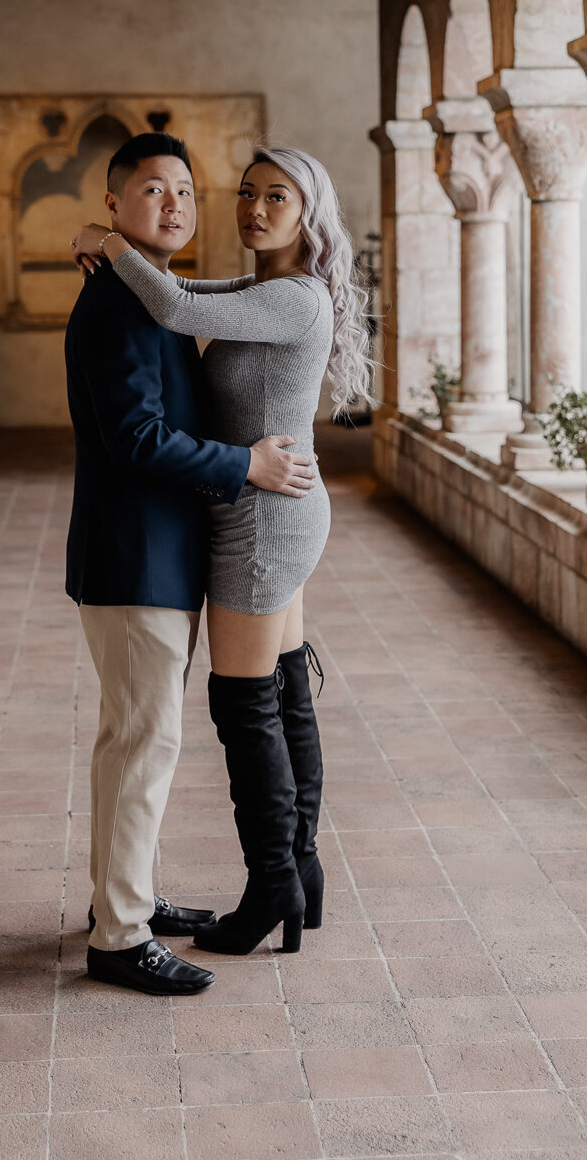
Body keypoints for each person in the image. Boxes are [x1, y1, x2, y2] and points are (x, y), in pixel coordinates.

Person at [73, 144, 374, 957]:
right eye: (245, 193)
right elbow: (178, 293)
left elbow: (168, 307)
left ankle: (271, 880)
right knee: (281, 692)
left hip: (263, 517)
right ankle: (298, 872)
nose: (254, 208)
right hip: (269, 507)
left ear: (309, 213)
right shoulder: (263, 288)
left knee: (245, 706)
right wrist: (119, 257)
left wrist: (109, 243)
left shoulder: (293, 301)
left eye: (277, 197)